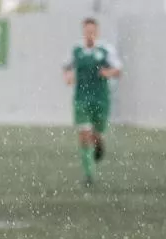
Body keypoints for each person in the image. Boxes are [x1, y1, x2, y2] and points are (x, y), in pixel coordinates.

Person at [62, 17, 121, 187]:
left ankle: (99, 141)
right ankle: (89, 174)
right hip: (81, 99)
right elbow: (66, 66)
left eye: (93, 31)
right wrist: (68, 76)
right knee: (84, 135)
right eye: (87, 31)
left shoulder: (105, 50)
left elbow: (118, 69)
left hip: (101, 99)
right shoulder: (76, 50)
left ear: (97, 32)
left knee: (96, 134)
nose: (90, 34)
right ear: (83, 32)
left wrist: (107, 73)